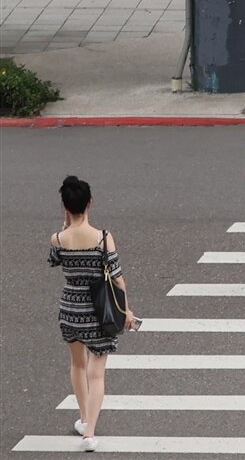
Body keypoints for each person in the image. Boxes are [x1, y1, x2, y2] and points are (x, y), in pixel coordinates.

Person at [50, 175, 140, 453]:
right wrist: (127, 309)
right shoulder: (103, 238)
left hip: (69, 310)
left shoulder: (58, 238)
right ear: (90, 204)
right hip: (97, 313)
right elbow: (117, 278)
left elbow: (55, 261)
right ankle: (89, 432)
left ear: (65, 206)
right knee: (96, 373)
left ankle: (84, 418)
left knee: (77, 365)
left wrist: (65, 226)